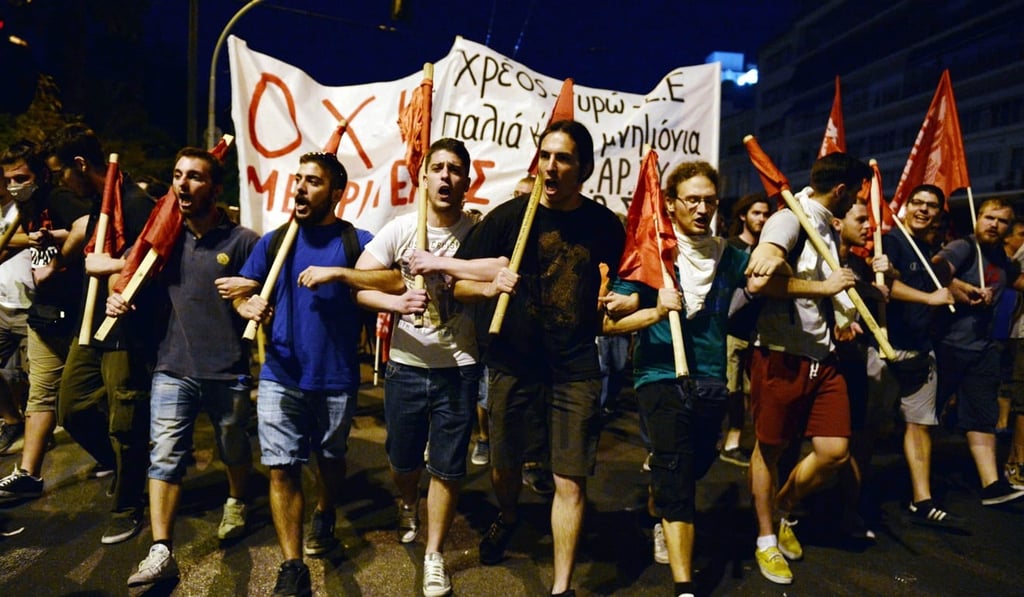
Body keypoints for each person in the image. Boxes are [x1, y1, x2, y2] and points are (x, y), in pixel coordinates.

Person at [453, 120, 625, 597]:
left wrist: (625, 298)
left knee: (569, 478)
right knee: (504, 467)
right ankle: (508, 515)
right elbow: (457, 283)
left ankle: (561, 586)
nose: (551, 166)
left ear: (584, 168)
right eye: (545, 155)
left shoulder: (603, 225)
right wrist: (488, 285)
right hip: (513, 362)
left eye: (563, 158)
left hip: (574, 368)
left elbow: (633, 279)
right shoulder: (508, 219)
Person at [232, 151, 401, 597]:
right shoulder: (275, 241)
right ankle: (293, 566)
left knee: (330, 458)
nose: (301, 188)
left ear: (337, 193)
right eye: (298, 180)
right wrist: (245, 304)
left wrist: (341, 274)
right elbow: (245, 293)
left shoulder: (355, 241)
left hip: (335, 377)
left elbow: (396, 281)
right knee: (282, 468)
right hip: (280, 374)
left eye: (313, 181)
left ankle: (325, 508)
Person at [105, 147, 259, 587]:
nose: (183, 184)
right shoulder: (163, 236)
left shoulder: (243, 240)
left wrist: (251, 301)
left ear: (214, 187)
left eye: (194, 176)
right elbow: (127, 275)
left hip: (227, 369)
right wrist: (118, 294)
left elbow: (261, 290)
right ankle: (160, 549)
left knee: (233, 446)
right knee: (166, 455)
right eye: (177, 175)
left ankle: (236, 498)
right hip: (173, 365)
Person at [603, 161, 750, 597]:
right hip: (660, 376)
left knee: (696, 463)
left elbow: (770, 276)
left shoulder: (730, 255)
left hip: (710, 379)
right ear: (671, 204)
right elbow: (610, 322)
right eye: (693, 200)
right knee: (678, 477)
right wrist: (646, 308)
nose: (702, 208)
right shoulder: (653, 257)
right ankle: (685, 585)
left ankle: (657, 500)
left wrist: (771, 259)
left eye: (710, 200)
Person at [356, 138, 482, 597]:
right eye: (438, 168)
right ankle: (407, 499)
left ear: (468, 180)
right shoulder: (400, 228)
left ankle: (435, 555)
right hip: (406, 367)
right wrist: (394, 301)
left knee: (448, 468)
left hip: (459, 368)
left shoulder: (478, 232)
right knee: (402, 460)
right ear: (424, 177)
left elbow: (501, 270)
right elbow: (361, 286)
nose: (446, 177)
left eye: (455, 169)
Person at [744, 152, 871, 585]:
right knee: (771, 450)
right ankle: (765, 538)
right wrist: (821, 285)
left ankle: (781, 508)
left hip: (823, 357)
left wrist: (840, 313)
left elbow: (817, 290)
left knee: (834, 452)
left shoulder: (826, 227)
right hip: (781, 356)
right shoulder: (789, 218)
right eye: (855, 194)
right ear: (840, 190)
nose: (856, 201)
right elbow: (758, 279)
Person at [47, 123, 160, 545]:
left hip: (125, 327)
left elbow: (155, 258)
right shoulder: (100, 203)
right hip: (89, 325)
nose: (62, 180)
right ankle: (129, 467)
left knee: (125, 420)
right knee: (72, 408)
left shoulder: (133, 202)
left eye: (62, 171)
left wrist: (109, 265)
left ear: (80, 164)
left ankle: (129, 504)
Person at [0, 140, 90, 500]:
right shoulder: (27, 209)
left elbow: (87, 226)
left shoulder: (59, 200)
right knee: (41, 394)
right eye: (8, 179)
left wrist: (59, 255)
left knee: (79, 402)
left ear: (40, 176)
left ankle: (121, 461)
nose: (13, 185)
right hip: (45, 312)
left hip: (77, 313)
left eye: (20, 177)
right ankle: (28, 474)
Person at [871, 185, 958, 525]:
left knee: (921, 426)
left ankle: (922, 499)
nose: (923, 209)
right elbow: (887, 287)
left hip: (922, 349)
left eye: (931, 205)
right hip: (887, 347)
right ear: (904, 206)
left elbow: (939, 286)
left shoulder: (928, 248)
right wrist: (929, 299)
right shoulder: (889, 242)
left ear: (939, 212)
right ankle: (853, 500)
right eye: (917, 203)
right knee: (869, 428)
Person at [931, 197, 1024, 505]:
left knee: (982, 418)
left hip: (983, 349)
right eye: (989, 218)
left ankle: (991, 485)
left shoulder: (1000, 258)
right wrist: (961, 288)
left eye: (1001, 221)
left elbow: (1015, 280)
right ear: (978, 218)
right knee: (928, 417)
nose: (994, 225)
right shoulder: (963, 246)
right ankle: (915, 482)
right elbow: (936, 268)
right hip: (948, 345)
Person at [721, 192, 771, 467]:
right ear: (743, 215)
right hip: (731, 332)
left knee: (754, 393)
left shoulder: (769, 249)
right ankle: (730, 441)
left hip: (759, 334)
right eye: (756, 213)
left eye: (765, 214)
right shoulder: (730, 247)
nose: (761, 219)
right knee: (732, 391)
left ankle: (740, 440)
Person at [0, 167, 32, 455]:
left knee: (34, 377)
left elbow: (33, 236)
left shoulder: (22, 209)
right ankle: (12, 420)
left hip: (30, 305)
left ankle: (39, 431)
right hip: (1, 304)